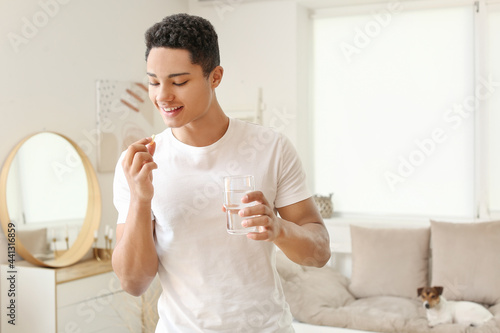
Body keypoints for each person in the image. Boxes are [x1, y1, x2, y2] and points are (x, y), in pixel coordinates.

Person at [111, 13, 330, 333]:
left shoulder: (271, 148)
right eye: (154, 82)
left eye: (179, 81)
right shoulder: (138, 164)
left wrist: (279, 228)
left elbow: (319, 252)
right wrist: (140, 201)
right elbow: (133, 282)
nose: (162, 96)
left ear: (215, 77)